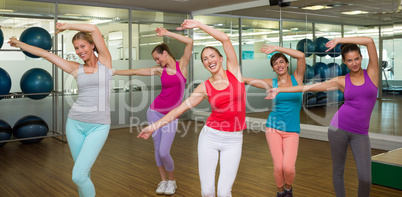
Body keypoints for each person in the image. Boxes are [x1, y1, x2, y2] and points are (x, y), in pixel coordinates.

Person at [138, 19, 246, 197]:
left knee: (225, 191)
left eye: (212, 56)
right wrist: (153, 126)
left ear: (221, 58)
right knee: (207, 191)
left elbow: (225, 39)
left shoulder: (234, 72)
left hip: (234, 140)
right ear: (204, 65)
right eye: (205, 59)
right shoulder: (204, 87)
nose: (209, 60)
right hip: (210, 137)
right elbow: (178, 110)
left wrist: (200, 25)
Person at [9, 23, 114, 197]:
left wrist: (67, 26)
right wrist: (20, 44)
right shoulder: (76, 68)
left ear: (92, 45)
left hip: (99, 126)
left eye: (83, 46)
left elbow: (94, 29)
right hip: (75, 124)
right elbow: (45, 54)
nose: (80, 51)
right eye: (76, 48)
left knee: (78, 176)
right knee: (84, 174)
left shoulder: (106, 62)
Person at [266, 37, 378, 197]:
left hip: (361, 133)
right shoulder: (341, 81)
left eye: (356, 59)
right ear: (345, 62)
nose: (354, 63)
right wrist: (280, 90)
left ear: (361, 58)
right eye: (349, 60)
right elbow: (309, 86)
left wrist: (339, 40)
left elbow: (369, 41)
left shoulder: (372, 74)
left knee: (365, 178)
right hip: (338, 129)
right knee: (338, 170)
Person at [114, 27, 193, 195]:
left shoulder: (183, 66)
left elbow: (190, 42)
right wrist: (114, 71)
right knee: (158, 149)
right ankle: (163, 181)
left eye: (158, 58)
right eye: (155, 60)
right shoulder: (160, 70)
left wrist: (167, 34)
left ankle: (172, 181)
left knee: (165, 151)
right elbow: (135, 71)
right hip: (155, 111)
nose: (157, 61)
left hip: (172, 116)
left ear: (165, 53)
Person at [243, 45, 305, 197]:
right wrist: (238, 79)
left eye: (281, 62)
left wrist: (277, 49)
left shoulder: (297, 78)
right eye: (275, 63)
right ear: (273, 68)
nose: (279, 65)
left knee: (288, 168)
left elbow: (301, 56)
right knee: (278, 166)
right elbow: (249, 81)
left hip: (292, 130)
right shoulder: (272, 83)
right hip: (273, 128)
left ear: (287, 64)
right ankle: (280, 192)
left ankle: (289, 189)